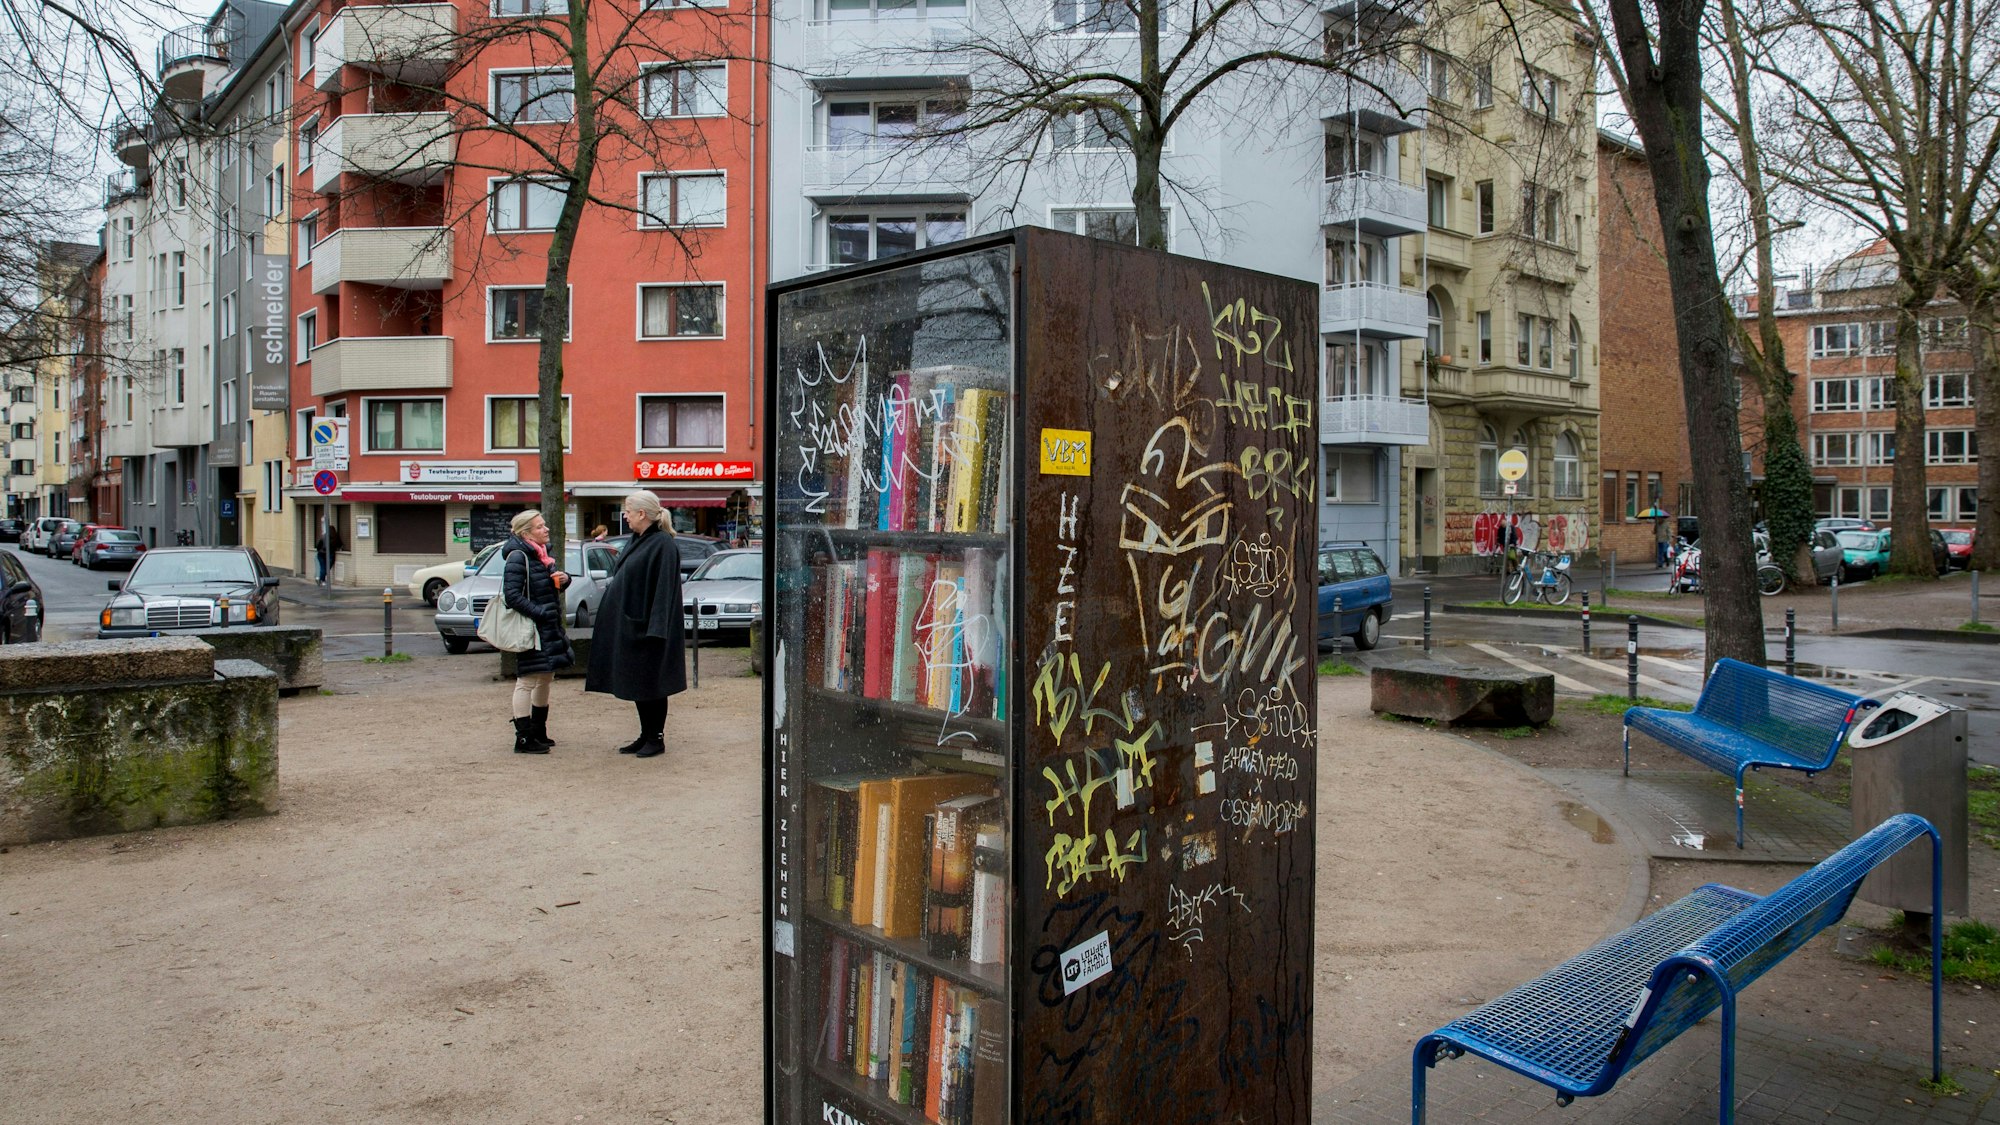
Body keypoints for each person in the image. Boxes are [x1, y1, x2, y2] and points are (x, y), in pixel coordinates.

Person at [585, 490, 686, 759]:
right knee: (638, 684)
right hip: (633, 626)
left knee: (653, 684)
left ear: (642, 514)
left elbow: (665, 589)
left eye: (628, 511)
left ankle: (656, 737)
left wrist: (657, 627)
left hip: (649, 629)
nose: (625, 516)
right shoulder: (637, 540)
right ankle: (645, 734)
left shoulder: (663, 543)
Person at [501, 509, 574, 754]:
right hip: (533, 628)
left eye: (544, 525)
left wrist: (564, 580)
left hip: (546, 626)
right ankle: (523, 738)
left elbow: (544, 587)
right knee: (527, 679)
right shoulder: (518, 556)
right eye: (540, 526)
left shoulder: (542, 555)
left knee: (545, 675)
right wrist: (541, 612)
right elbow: (512, 596)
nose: (546, 529)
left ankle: (538, 730)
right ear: (526, 533)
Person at [314, 520, 342, 584]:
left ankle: (321, 579)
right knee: (327, 567)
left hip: (321, 553)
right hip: (330, 553)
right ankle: (321, 579)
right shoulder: (335, 537)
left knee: (323, 566)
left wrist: (319, 550)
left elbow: (318, 545)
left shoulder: (324, 536)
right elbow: (340, 544)